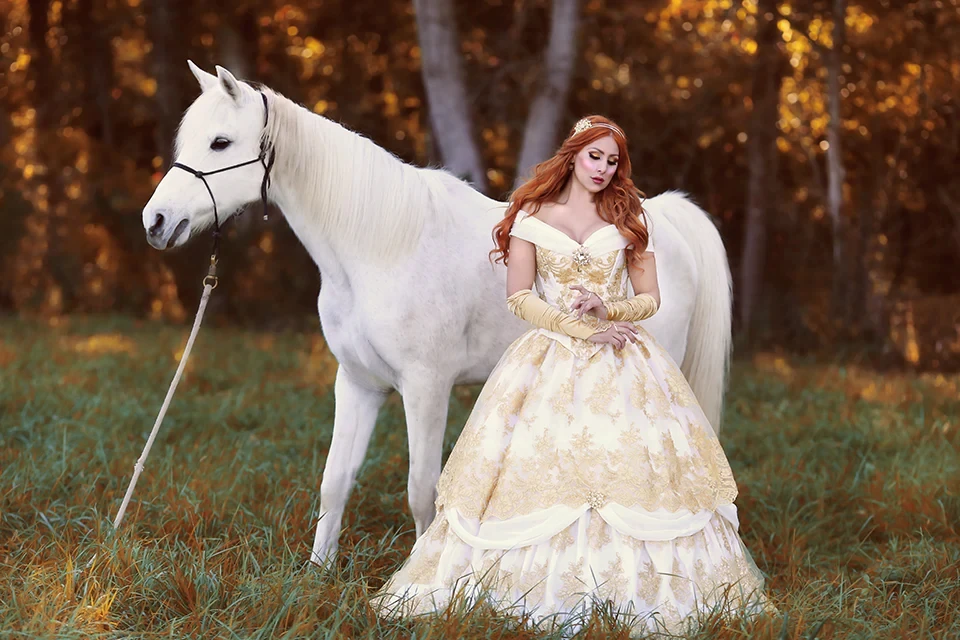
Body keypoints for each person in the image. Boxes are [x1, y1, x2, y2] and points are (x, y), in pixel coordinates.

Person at [373, 115, 772, 635]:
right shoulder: (532, 215)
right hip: (549, 355)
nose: (603, 168)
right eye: (594, 156)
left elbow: (651, 299)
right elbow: (518, 297)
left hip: (623, 356)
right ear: (573, 155)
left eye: (612, 160)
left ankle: (633, 583)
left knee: (632, 467)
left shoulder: (630, 220)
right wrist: (576, 327)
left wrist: (608, 309)